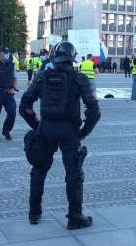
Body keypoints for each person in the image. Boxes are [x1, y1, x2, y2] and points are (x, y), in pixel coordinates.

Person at [19, 41, 101, 229]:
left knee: (38, 170)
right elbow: (94, 111)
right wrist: (82, 133)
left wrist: (37, 125)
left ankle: (34, 213)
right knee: (74, 174)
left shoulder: (42, 76)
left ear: (54, 56)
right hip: (70, 131)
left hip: (46, 128)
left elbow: (24, 107)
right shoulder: (80, 78)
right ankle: (75, 217)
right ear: (73, 57)